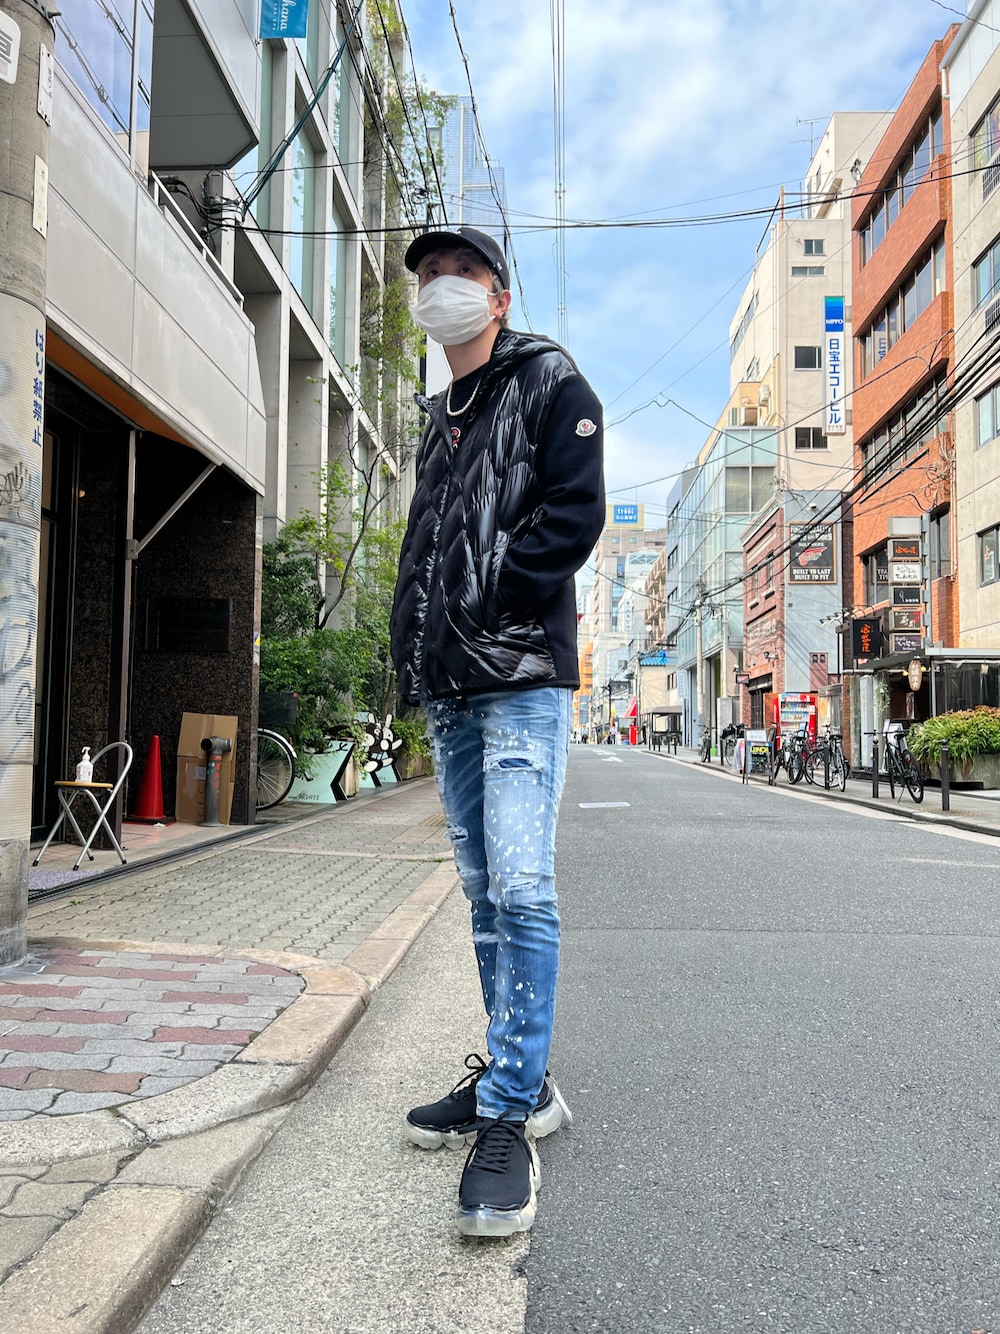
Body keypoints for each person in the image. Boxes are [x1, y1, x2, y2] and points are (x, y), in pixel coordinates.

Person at [390, 225, 604, 1238]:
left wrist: (493, 598)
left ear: (499, 296)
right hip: (447, 683)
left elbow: (574, 514)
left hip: (517, 672)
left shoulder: (548, 379)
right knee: (482, 891)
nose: (441, 288)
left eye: (460, 274)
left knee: (522, 884)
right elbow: (428, 542)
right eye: (428, 276)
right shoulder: (440, 413)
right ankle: (521, 1076)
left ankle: (510, 1112)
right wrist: (415, 639)